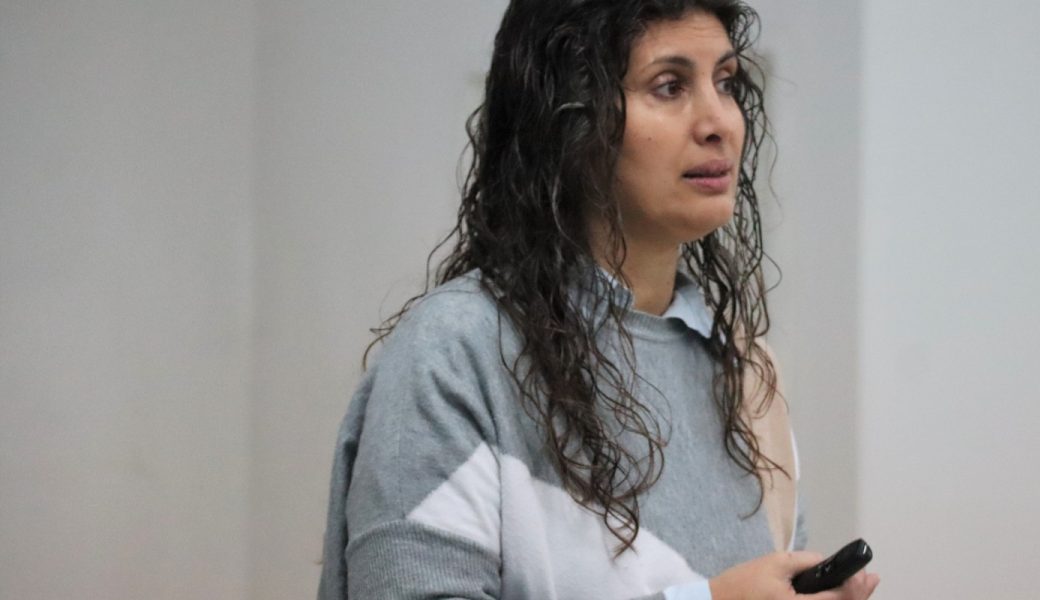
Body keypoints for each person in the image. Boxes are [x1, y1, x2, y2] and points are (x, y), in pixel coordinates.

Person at [318, 0, 880, 598]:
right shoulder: (456, 351)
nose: (719, 122)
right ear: (569, 119)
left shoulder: (748, 371)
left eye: (725, 81)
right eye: (669, 86)